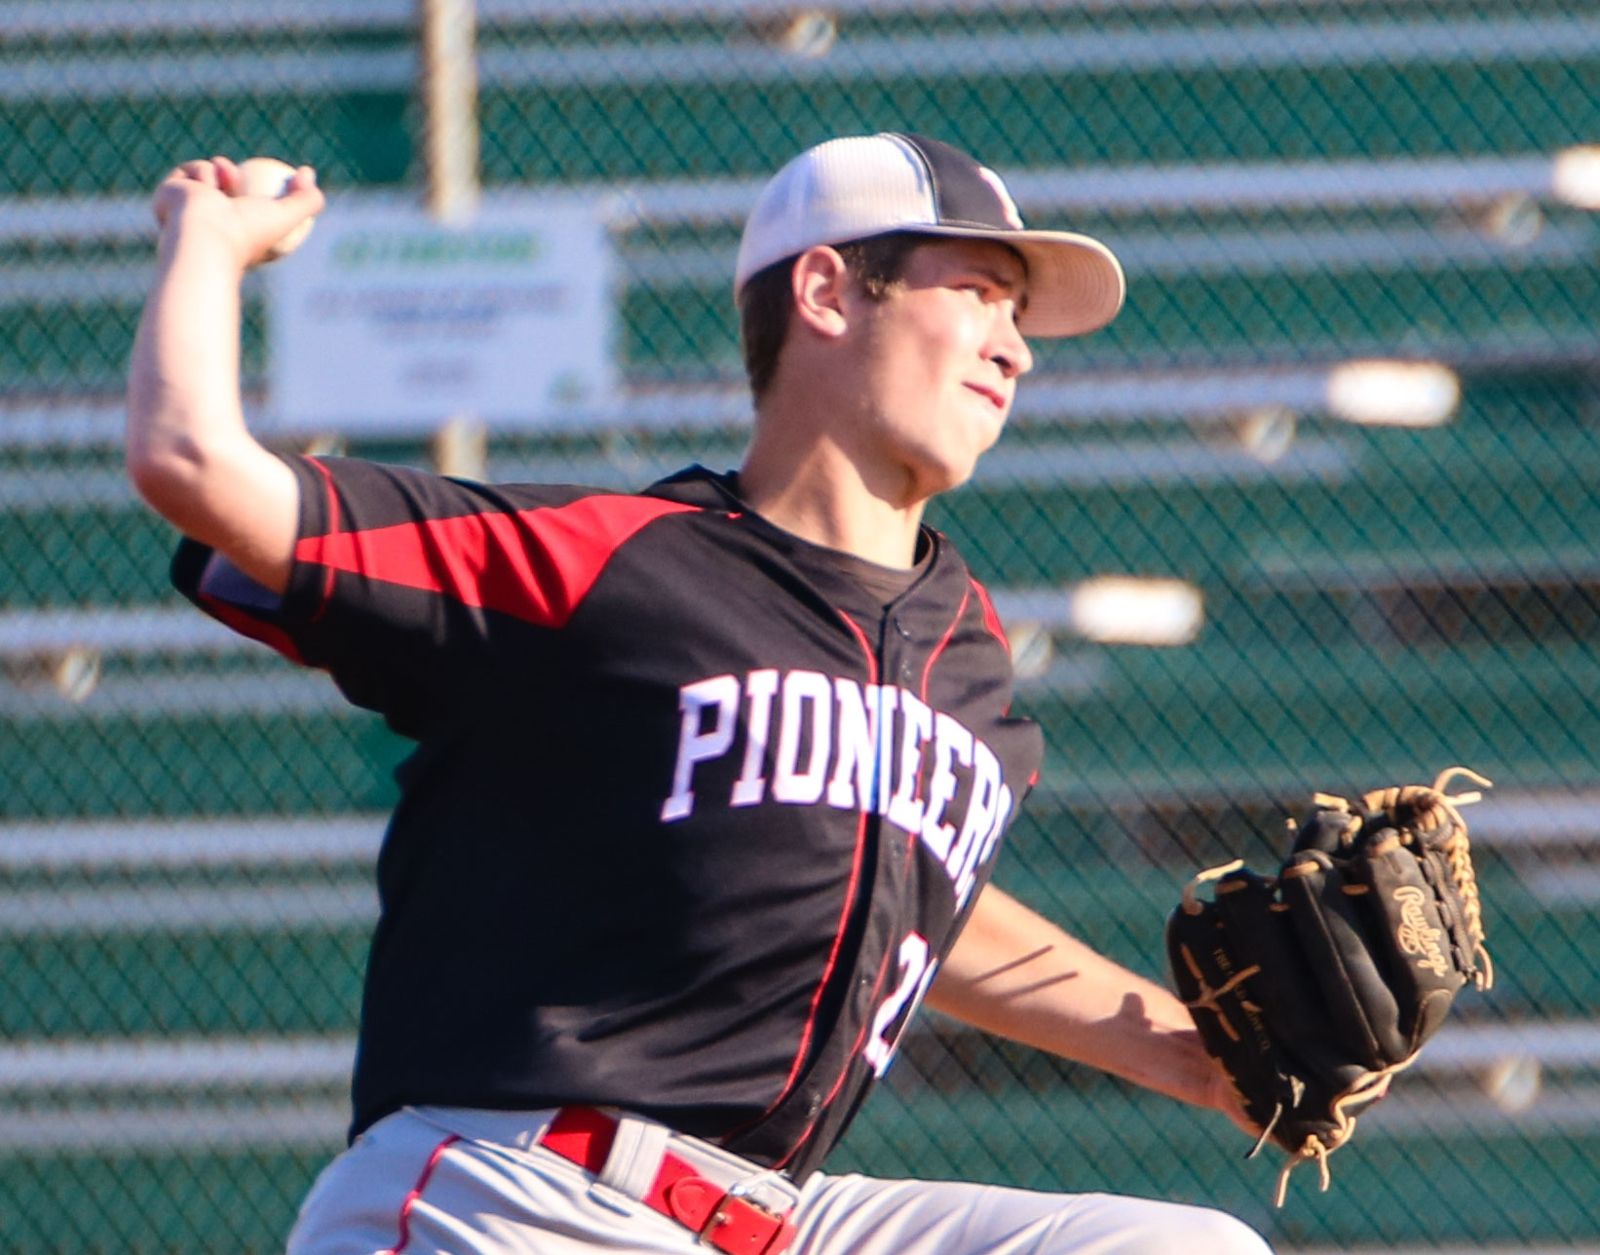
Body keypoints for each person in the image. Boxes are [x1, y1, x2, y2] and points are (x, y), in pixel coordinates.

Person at [127, 132, 1272, 1255]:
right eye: (975, 292)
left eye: (1017, 316)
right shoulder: (605, 567)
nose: (1012, 349)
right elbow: (191, 462)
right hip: (519, 1195)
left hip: (774, 1215)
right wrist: (208, 244)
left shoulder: (962, 647)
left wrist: (1195, 1055)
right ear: (826, 291)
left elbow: (888, 897)